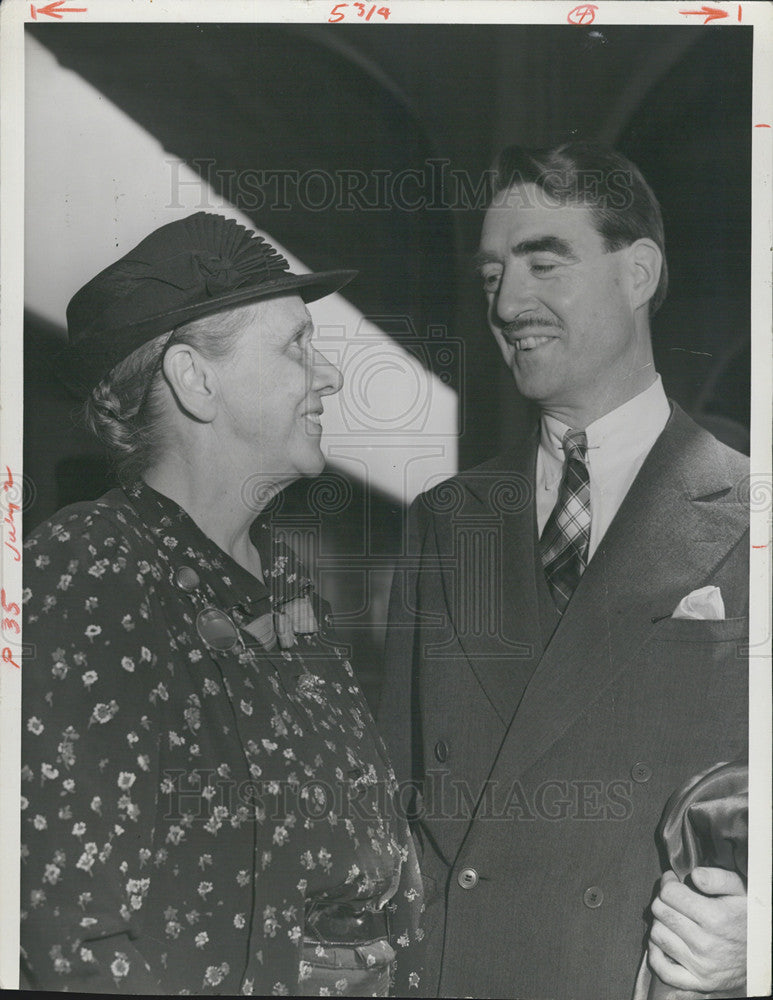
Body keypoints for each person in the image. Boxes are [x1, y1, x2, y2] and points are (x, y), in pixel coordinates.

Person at [379, 143, 748, 999]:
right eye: (489, 277)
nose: (508, 304)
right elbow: (392, 802)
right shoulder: (441, 523)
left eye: (544, 262)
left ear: (639, 272)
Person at [20, 213, 424, 996]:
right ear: (194, 379)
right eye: (294, 346)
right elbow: (74, 927)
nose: (329, 376)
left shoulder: (284, 590)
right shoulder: (86, 572)